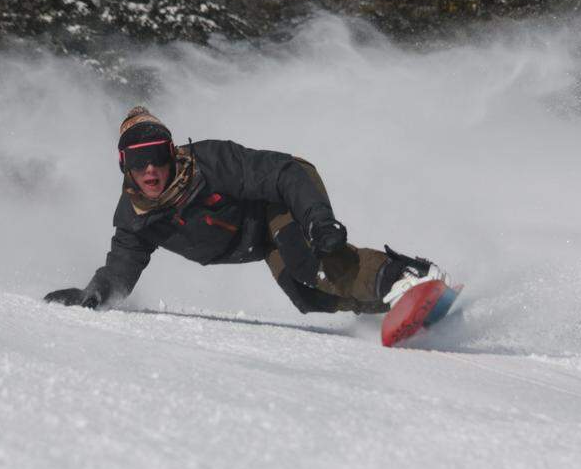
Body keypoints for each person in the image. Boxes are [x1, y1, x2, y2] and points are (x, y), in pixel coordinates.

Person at [44, 107, 445, 314]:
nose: (150, 169)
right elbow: (119, 271)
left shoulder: (209, 163)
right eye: (138, 160)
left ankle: (404, 276)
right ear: (124, 166)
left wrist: (319, 221)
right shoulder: (136, 217)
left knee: (308, 263)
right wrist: (94, 294)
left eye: (157, 156)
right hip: (257, 241)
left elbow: (285, 173)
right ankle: (392, 302)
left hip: (280, 201)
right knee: (306, 297)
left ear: (171, 153)